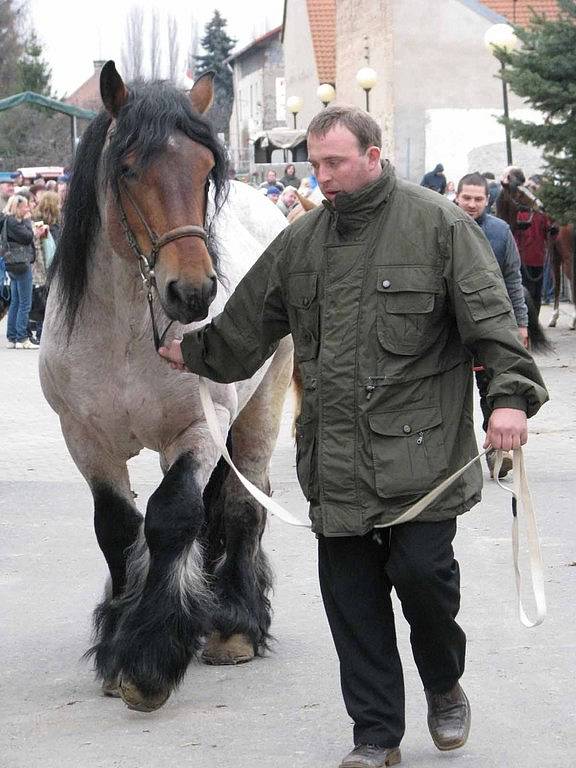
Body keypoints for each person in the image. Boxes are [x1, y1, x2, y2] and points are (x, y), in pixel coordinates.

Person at [158, 105, 548, 768]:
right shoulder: (301, 241)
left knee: (426, 585)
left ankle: (444, 682)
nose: (324, 176)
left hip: (423, 465)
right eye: (316, 165)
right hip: (335, 466)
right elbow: (245, 328)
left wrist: (507, 402)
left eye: (334, 162)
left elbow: (491, 324)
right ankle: (376, 736)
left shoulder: (439, 226)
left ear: (373, 154)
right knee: (354, 606)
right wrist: (191, 353)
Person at [455, 172, 529, 479]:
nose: (472, 204)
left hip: (489, 327)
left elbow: (513, 280)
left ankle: (498, 451)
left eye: (478, 199)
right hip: (451, 330)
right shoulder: (439, 223)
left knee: (492, 392)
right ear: (456, 196)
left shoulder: (500, 232)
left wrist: (521, 324)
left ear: (489, 200)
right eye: (466, 198)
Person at [1, 194, 37, 349]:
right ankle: (22, 338)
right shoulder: (14, 222)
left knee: (15, 301)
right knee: (25, 303)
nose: (27, 209)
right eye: (25, 206)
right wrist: (30, 222)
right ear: (17, 207)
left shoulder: (6, 221)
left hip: (12, 264)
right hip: (21, 264)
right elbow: (28, 237)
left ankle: (12, 336)